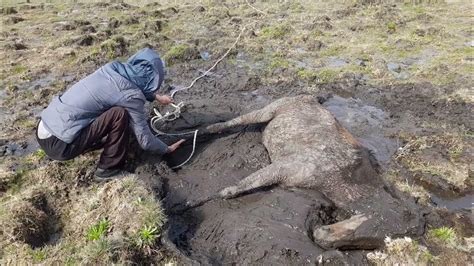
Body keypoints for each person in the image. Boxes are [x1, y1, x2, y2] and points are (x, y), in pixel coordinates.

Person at [36, 48, 185, 180]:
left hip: (45, 127)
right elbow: (145, 141)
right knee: (119, 114)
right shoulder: (132, 97)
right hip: (59, 146)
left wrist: (156, 97)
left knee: (105, 106)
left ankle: (90, 144)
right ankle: (107, 169)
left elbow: (123, 87)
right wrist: (167, 149)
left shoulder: (111, 69)